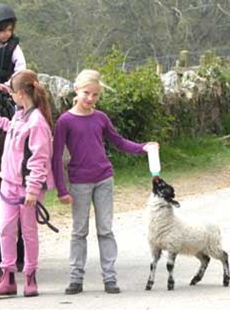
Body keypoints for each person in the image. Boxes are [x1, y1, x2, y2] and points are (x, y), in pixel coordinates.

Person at [51, 69, 158, 295]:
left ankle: (110, 278)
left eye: (95, 95)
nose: (90, 99)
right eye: (87, 93)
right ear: (77, 90)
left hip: (103, 179)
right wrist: (62, 189)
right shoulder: (65, 121)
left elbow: (118, 142)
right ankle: (75, 279)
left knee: (105, 230)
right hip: (79, 183)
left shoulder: (101, 118)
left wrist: (143, 148)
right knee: (79, 231)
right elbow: (56, 156)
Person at [0, 69, 58, 297]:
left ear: (20, 94)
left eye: (11, 92)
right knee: (5, 230)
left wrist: (32, 189)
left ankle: (30, 277)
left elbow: (39, 159)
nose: (10, 96)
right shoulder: (20, 115)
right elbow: (9, 126)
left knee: (28, 233)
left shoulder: (37, 123)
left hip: (27, 189)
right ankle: (7, 277)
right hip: (9, 184)